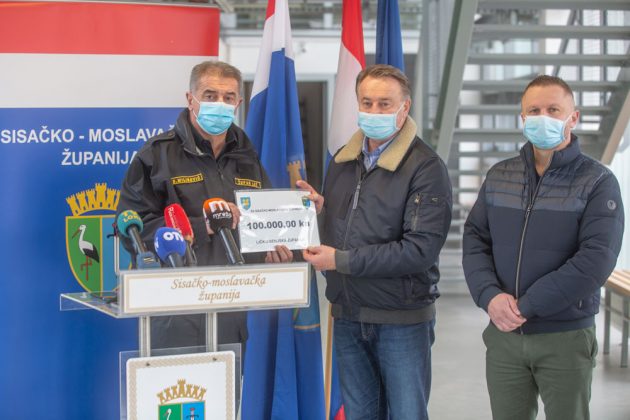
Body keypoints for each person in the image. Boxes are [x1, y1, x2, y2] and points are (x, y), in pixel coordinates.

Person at [463, 75, 624, 420]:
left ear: (573, 117)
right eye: (534, 111)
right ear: (522, 118)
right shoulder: (500, 176)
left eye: (553, 110)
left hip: (565, 335)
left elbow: (596, 260)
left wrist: (527, 305)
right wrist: (489, 296)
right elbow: (475, 238)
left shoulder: (597, 182)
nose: (543, 117)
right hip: (504, 335)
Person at [298, 64, 452, 420]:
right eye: (367, 102)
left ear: (404, 108)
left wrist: (341, 261)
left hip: (401, 320)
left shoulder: (426, 167)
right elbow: (345, 227)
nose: (374, 111)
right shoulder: (343, 160)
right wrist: (318, 212)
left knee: (407, 415)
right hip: (349, 314)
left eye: (385, 104)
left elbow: (418, 251)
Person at [117, 61, 292, 350]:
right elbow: (133, 230)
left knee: (229, 381)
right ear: (191, 99)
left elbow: (264, 222)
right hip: (174, 312)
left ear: (238, 103)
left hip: (232, 309)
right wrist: (203, 227)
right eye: (210, 96)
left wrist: (276, 250)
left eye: (228, 97)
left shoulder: (247, 158)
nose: (219, 104)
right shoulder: (157, 155)